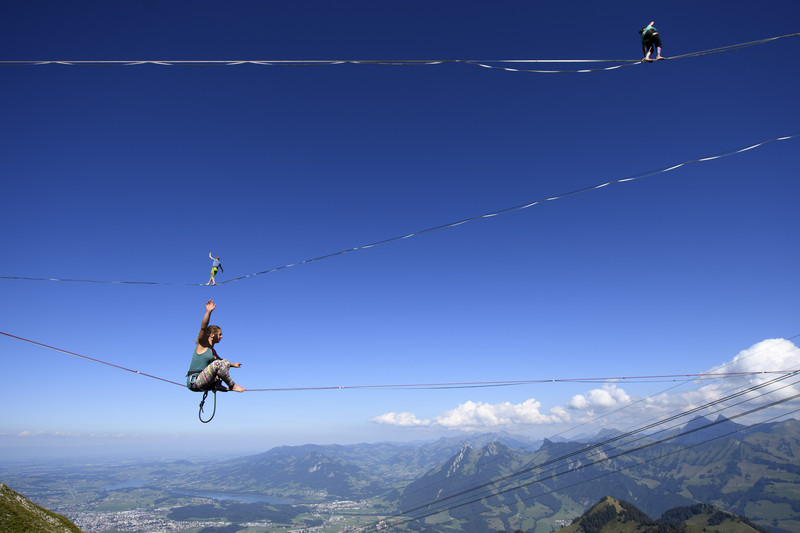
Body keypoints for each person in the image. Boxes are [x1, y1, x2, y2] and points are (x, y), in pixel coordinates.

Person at [186, 300, 246, 393]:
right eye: (220, 334)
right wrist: (208, 312)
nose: (221, 337)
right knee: (217, 364)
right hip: (194, 381)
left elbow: (223, 362)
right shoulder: (202, 343)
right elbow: (203, 327)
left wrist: (234, 365)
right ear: (212, 334)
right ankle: (232, 385)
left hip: (205, 382)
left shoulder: (213, 351)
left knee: (224, 362)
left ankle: (217, 385)